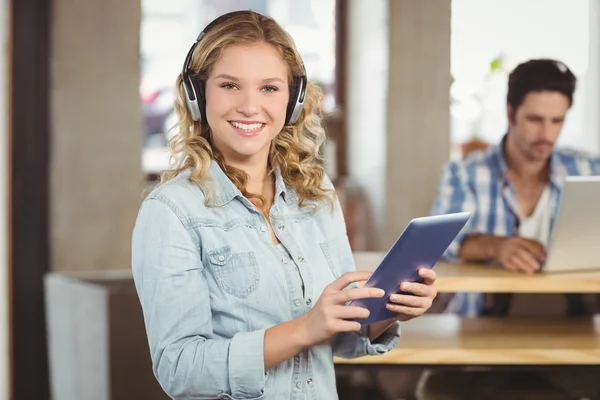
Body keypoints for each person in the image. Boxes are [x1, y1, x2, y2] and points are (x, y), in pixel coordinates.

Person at [131, 10, 437, 400]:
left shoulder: (315, 193)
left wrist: (393, 308)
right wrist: (304, 328)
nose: (249, 106)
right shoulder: (171, 211)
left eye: (269, 88)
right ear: (197, 93)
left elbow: (344, 337)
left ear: (292, 100)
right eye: (229, 85)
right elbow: (180, 370)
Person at [418, 59, 600, 399]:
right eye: (535, 120)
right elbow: (440, 240)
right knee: (436, 389)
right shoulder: (466, 173)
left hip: (572, 332)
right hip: (483, 333)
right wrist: (495, 246)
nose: (547, 134)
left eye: (557, 121)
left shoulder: (589, 169)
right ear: (511, 113)